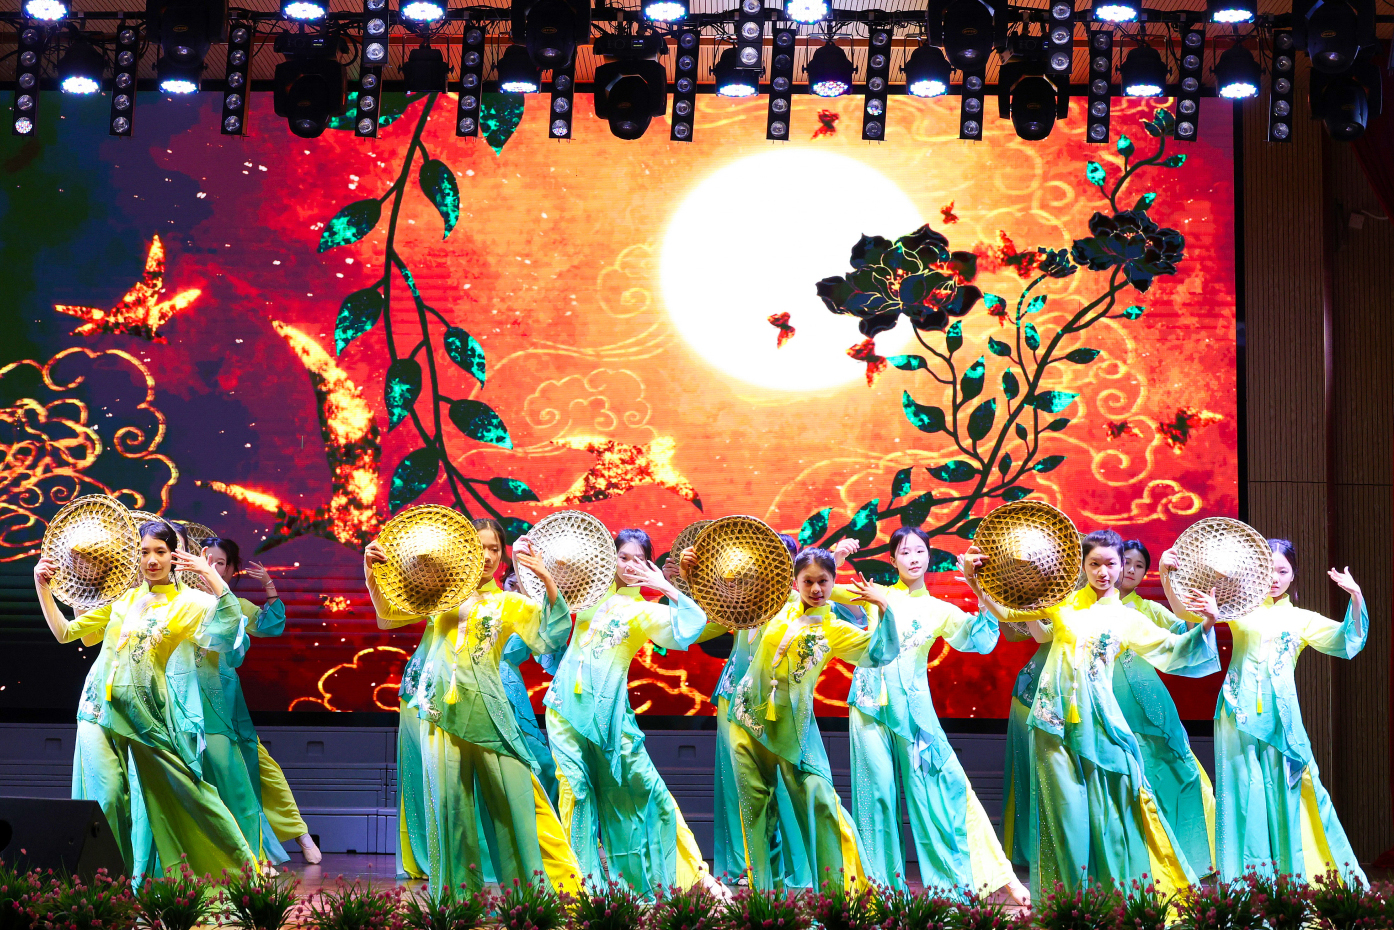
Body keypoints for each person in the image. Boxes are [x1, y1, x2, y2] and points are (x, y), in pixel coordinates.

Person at [963, 529, 1218, 897]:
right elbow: (1009, 611)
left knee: (1113, 814)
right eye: (1094, 563)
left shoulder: (1127, 618)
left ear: (1121, 565)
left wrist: (1207, 623)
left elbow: (1174, 648)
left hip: (1101, 725)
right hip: (1051, 724)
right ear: (1083, 565)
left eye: (1110, 564)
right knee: (1063, 817)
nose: (1103, 571)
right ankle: (1069, 904)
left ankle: (1118, 898)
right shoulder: (1061, 603)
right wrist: (975, 581)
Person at [33, 519, 256, 881]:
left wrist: (207, 573)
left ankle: (239, 877)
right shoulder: (123, 600)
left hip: (144, 716)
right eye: (144, 552)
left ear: (174, 556)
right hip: (96, 709)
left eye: (160, 552)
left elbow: (230, 626)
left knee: (189, 793)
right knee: (106, 800)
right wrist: (42, 587)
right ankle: (109, 888)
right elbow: (66, 633)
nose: (152, 560)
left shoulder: (190, 603)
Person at [365, 531, 579, 894]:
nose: (487, 556)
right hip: (440, 713)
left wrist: (545, 578)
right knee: (450, 810)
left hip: (489, 713)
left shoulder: (510, 603)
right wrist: (371, 572)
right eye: (479, 547)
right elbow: (387, 617)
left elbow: (550, 637)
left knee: (516, 801)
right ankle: (457, 902)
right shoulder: (439, 594)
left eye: (495, 549)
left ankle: (532, 897)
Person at [1164, 538, 1368, 886]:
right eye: (1267, 570)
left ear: (1293, 575)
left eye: (1282, 571)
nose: (1274, 578)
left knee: (1292, 793)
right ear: (1254, 573)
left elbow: (1347, 640)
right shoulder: (1239, 608)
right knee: (1243, 796)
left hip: (1282, 719)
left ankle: (1294, 882)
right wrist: (1168, 576)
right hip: (1237, 714)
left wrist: (1356, 596)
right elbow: (1186, 614)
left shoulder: (1301, 619)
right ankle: (1247, 887)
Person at [847, 527, 1026, 902]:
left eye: (919, 551)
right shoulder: (875, 593)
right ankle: (881, 893)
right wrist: (836, 559)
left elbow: (980, 641)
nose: (913, 558)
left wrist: (980, 591)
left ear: (929, 557)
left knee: (945, 788)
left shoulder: (938, 610)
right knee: (875, 797)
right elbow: (822, 592)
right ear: (892, 560)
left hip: (914, 716)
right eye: (904, 552)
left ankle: (965, 884)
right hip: (868, 706)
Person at [542, 528, 717, 897]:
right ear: (611, 559)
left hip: (610, 718)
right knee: (575, 792)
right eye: (624, 557)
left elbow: (692, 625)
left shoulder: (644, 611)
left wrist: (663, 586)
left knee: (649, 791)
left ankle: (685, 877)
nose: (631, 565)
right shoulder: (588, 594)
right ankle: (579, 890)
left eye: (640, 559)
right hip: (564, 708)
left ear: (650, 564)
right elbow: (551, 618)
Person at [725, 547, 898, 892]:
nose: (816, 589)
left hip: (794, 731)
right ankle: (763, 902)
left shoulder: (835, 629)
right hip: (746, 720)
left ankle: (839, 899)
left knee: (821, 802)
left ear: (833, 582)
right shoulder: (779, 602)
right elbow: (729, 594)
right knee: (755, 814)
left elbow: (879, 653)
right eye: (808, 581)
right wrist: (690, 573)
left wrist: (882, 606)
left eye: (824, 581)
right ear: (795, 582)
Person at [203, 537, 322, 865]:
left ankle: (299, 833)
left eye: (220, 563)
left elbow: (270, 626)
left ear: (231, 570)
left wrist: (269, 586)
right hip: (188, 694)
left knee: (261, 767)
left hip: (225, 698)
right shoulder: (185, 602)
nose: (212, 568)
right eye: (206, 560)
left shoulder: (236, 605)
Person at [1113, 540, 1215, 877]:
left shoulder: (1149, 610)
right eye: (1125, 562)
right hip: (1108, 704)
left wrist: (1170, 582)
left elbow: (1187, 632)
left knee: (1179, 774)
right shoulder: (1090, 608)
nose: (1130, 570)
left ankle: (1189, 859)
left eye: (1139, 566)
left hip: (1151, 707)